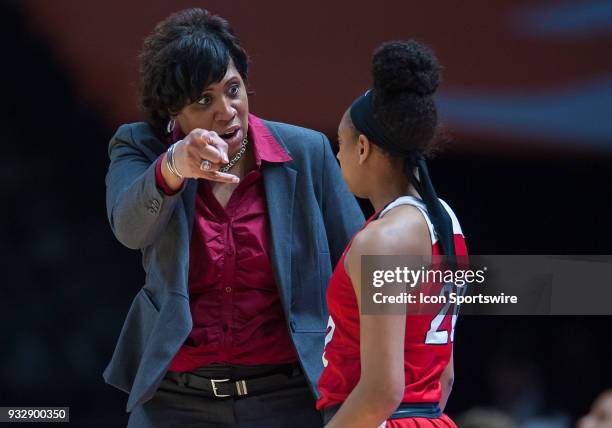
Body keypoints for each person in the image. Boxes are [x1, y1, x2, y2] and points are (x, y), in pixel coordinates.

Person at [103, 8, 364, 428]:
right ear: (173, 113)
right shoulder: (141, 146)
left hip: (289, 396)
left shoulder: (307, 151)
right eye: (204, 100)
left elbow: (360, 268)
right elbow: (130, 229)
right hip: (175, 399)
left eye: (233, 89)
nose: (226, 111)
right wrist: (173, 168)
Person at [316, 40, 468, 427]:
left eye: (341, 143)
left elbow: (382, 391)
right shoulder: (446, 220)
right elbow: (444, 375)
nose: (338, 156)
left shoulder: (382, 241)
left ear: (363, 147)